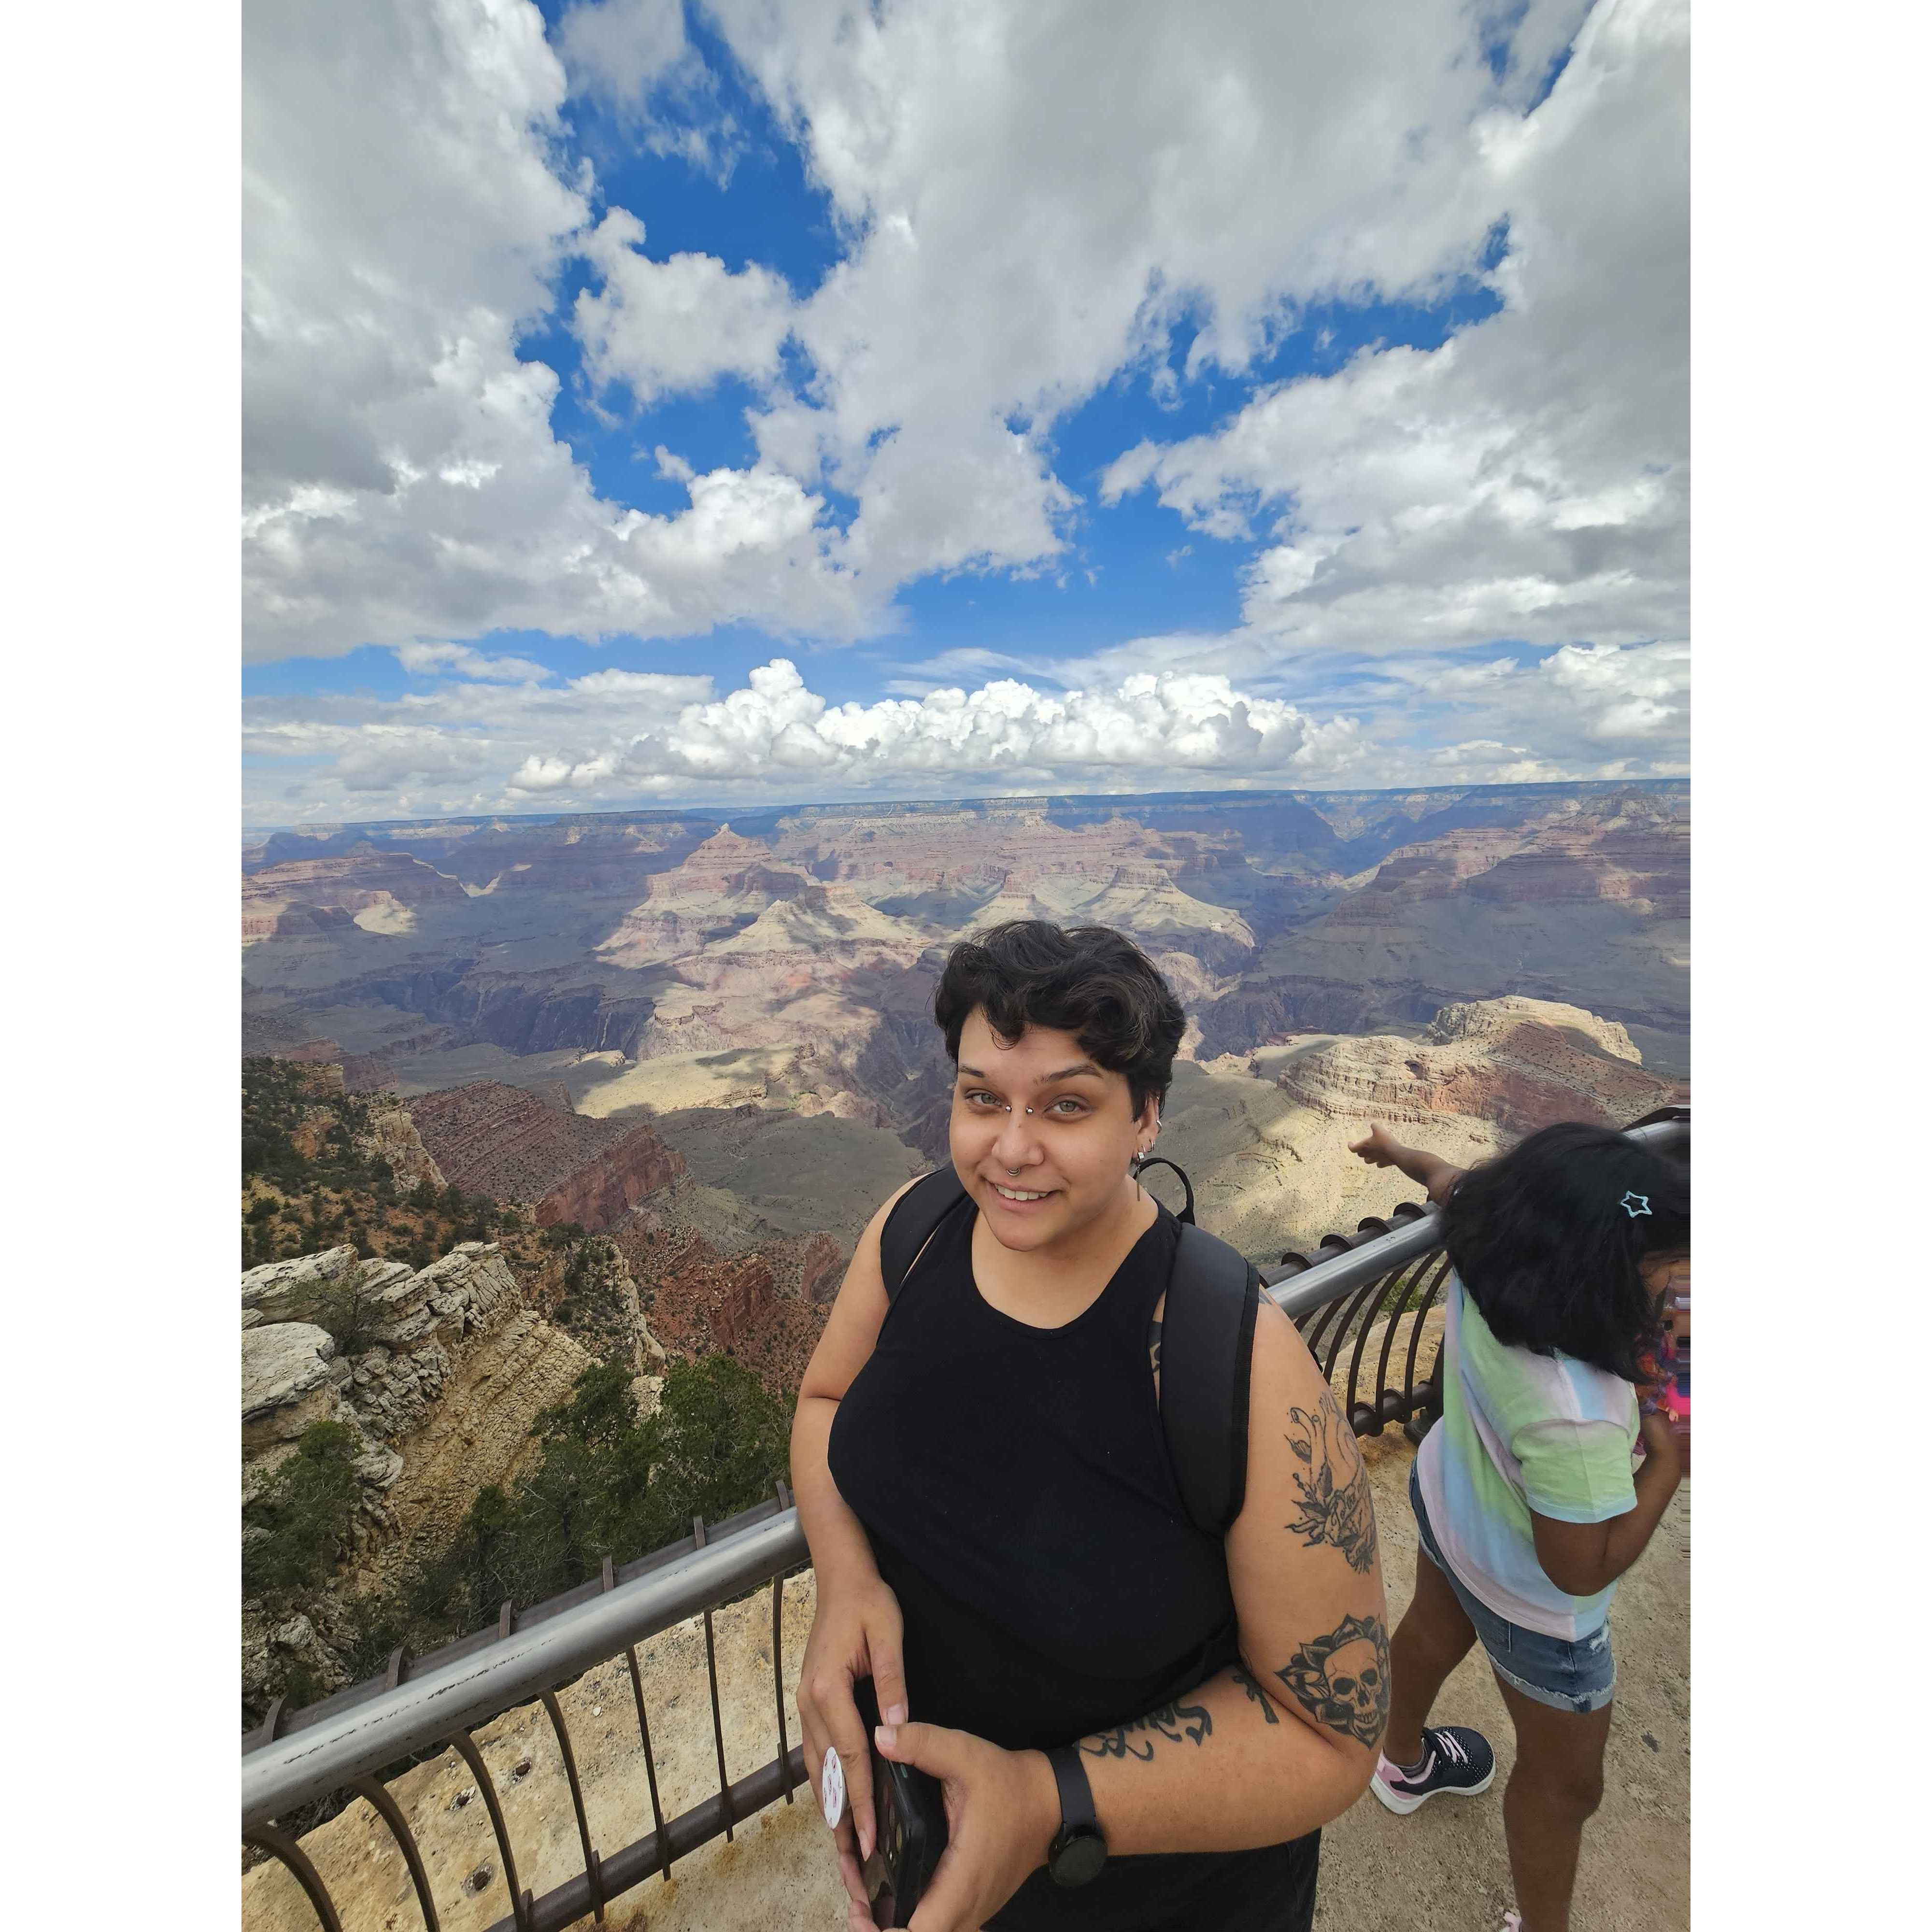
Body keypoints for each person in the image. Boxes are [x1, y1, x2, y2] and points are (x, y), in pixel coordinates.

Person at [793, 922, 1389, 1932]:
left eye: (1065, 1105)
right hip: (936, 1861)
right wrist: (843, 1580)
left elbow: (1329, 1735)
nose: (1010, 1146)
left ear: (1146, 1115)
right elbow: (822, 1405)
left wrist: (1040, 1798)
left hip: (1163, 1899)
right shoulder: (915, 1231)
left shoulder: (1232, 1361)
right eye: (981, 1096)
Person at [1348, 1120, 1690, 1932]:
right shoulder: (1575, 1413)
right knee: (1570, 1786)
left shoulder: (1495, 1241)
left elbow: (1445, 1175)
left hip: (1453, 1499)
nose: (1676, 1283)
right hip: (1536, 1603)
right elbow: (1580, 1566)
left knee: (1433, 1628)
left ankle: (1397, 1762)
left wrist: (1396, 1152)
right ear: (1594, 1281)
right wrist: (1668, 1463)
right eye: (1661, 1273)